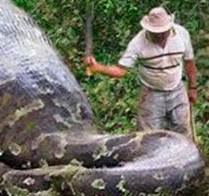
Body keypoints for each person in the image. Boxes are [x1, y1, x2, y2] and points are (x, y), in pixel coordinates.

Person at [83, 7, 197, 138]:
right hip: (151, 93)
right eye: (156, 32)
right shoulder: (137, 43)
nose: (160, 35)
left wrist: (193, 87)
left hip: (177, 89)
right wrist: (98, 68)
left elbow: (189, 62)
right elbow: (121, 71)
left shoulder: (182, 34)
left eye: (163, 32)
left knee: (183, 132)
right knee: (147, 137)